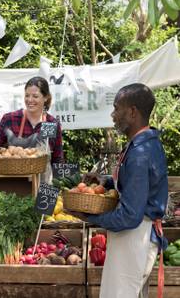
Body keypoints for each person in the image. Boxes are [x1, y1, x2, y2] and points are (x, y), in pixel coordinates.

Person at [84, 83, 168, 298]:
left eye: (116, 108)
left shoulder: (140, 153)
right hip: (136, 237)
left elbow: (129, 216)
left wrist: (89, 215)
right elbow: (132, 182)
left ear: (132, 112)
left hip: (135, 237)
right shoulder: (143, 143)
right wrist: (105, 181)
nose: (113, 115)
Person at [0, 76, 64, 166]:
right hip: (16, 182)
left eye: (35, 96)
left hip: (42, 183)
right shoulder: (11, 119)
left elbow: (57, 159)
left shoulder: (50, 124)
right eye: (27, 95)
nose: (30, 100)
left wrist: (60, 183)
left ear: (46, 97)